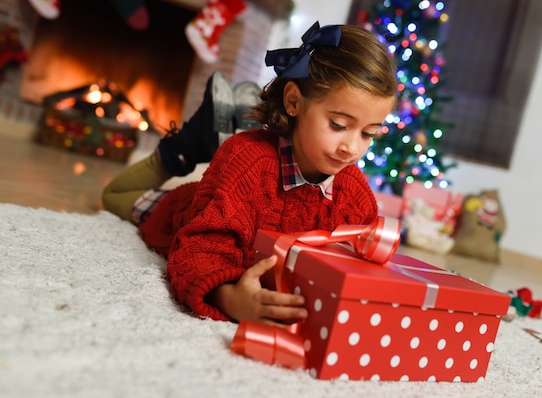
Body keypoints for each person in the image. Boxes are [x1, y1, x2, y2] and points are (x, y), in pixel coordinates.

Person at [101, 21, 397, 325]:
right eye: (338, 125)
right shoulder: (245, 161)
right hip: (192, 209)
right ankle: (187, 145)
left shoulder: (356, 197)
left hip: (235, 188)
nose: (352, 147)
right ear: (293, 102)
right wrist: (229, 297)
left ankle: (226, 131)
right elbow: (197, 251)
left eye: (369, 133)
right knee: (112, 196)